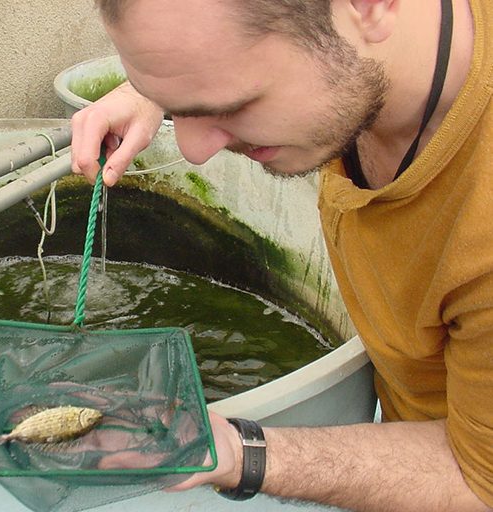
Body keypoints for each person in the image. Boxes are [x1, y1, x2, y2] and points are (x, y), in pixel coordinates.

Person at [70, 0, 492, 510]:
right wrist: (160, 93)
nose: (193, 149)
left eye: (230, 106)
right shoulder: (364, 59)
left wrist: (233, 451)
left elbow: (477, 481)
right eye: (181, 112)